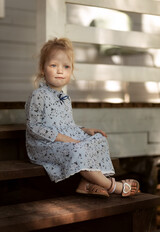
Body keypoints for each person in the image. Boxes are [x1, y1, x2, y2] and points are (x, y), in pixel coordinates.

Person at [25, 37, 139, 197]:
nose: (60, 71)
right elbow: (34, 127)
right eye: (53, 65)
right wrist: (64, 138)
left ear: (71, 71)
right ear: (43, 69)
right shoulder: (38, 95)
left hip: (64, 140)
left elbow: (68, 124)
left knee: (98, 139)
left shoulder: (64, 98)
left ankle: (87, 183)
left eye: (66, 66)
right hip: (44, 145)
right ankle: (112, 185)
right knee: (79, 148)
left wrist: (85, 130)